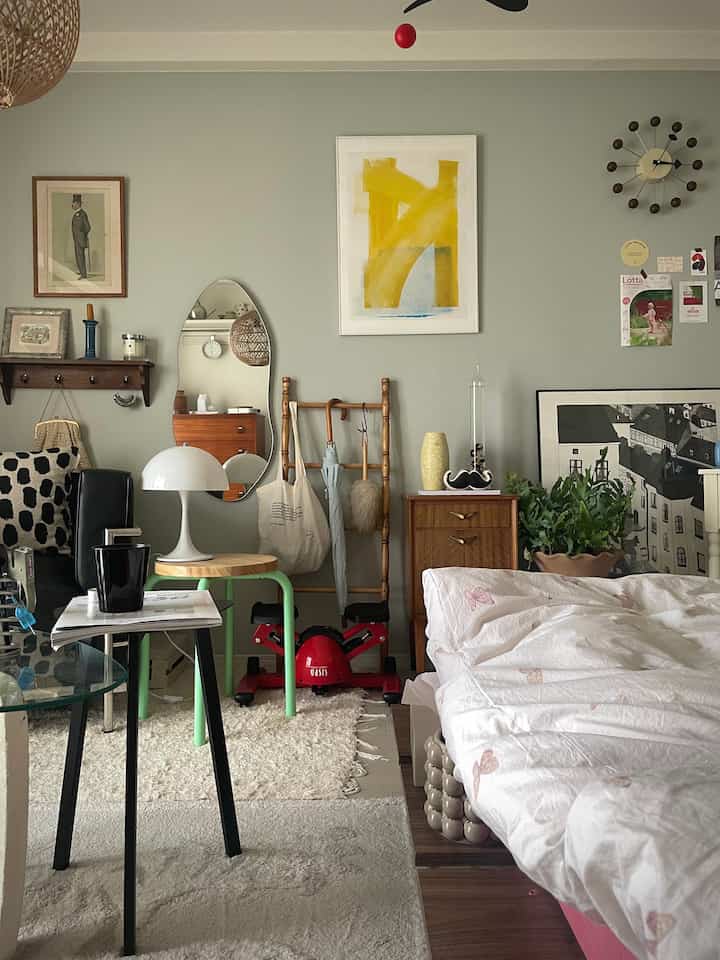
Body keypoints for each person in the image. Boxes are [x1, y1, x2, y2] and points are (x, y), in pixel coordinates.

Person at [71, 194, 91, 279]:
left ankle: (84, 275)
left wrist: (82, 235)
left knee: (80, 256)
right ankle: (82, 272)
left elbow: (88, 227)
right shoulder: (76, 214)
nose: (72, 205)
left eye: (74, 203)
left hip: (81, 239)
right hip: (76, 239)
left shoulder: (83, 214)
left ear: (78, 204)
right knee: (78, 256)